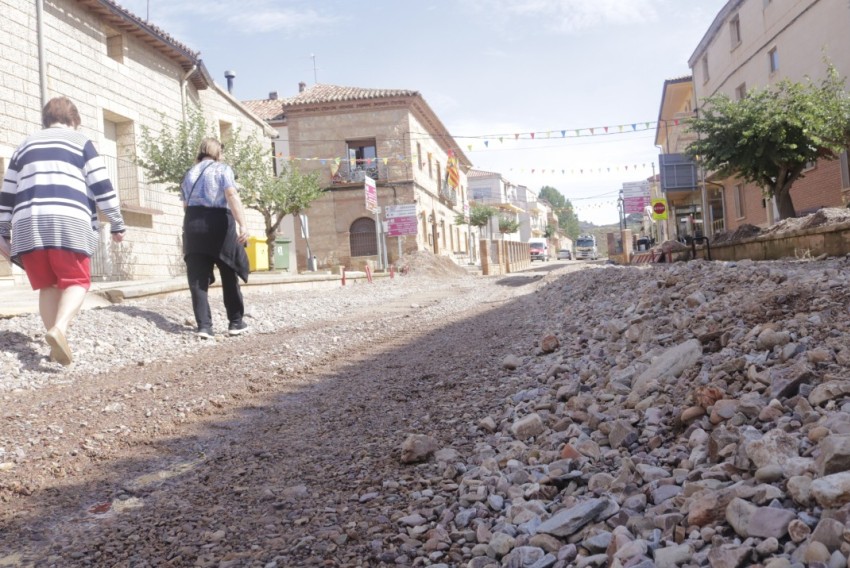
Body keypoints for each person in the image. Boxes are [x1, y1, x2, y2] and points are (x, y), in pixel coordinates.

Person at [0, 96, 126, 366]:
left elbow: (7, 191)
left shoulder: (24, 145)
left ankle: (53, 343)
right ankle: (60, 329)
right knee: (77, 282)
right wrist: (116, 221)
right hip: (68, 221)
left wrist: (2, 229)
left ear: (46, 120)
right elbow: (101, 184)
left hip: (27, 224)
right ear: (74, 120)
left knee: (48, 285)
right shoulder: (81, 143)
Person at [180, 137, 250, 339]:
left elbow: (185, 206)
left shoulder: (188, 174)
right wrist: (242, 224)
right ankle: (235, 322)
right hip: (218, 222)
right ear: (217, 152)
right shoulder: (222, 169)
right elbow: (231, 195)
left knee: (197, 279)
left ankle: (204, 327)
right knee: (229, 272)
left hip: (193, 224)